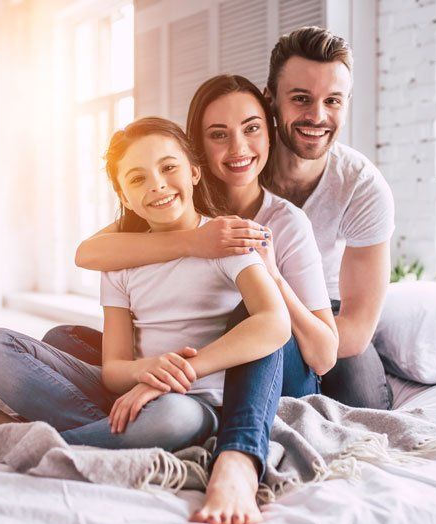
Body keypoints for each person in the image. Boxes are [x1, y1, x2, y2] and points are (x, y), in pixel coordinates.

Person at [0, 117, 300, 524]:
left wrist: (177, 373)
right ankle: (105, 431)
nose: (156, 184)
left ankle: (25, 436)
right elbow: (115, 370)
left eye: (169, 168)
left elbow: (274, 324)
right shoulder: (123, 262)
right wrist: (142, 371)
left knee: (170, 419)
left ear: (193, 172)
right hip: (129, 394)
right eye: (137, 179)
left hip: (193, 403)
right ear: (124, 195)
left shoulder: (225, 241)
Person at [69, 75, 338, 400]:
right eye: (219, 135)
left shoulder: (287, 222)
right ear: (198, 149)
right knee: (64, 340)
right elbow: (87, 253)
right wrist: (196, 242)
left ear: (270, 135)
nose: (238, 147)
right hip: (190, 365)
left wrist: (274, 277)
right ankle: (137, 405)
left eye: (251, 129)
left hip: (271, 368)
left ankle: (236, 440)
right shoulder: (166, 204)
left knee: (252, 313)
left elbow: (322, 357)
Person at [262, 26, 396, 409]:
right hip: (246, 306)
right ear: (270, 98)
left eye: (333, 101)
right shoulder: (241, 166)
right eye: (301, 98)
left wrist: (294, 340)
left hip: (326, 312)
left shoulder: (362, 187)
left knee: (363, 401)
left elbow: (355, 329)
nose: (317, 116)